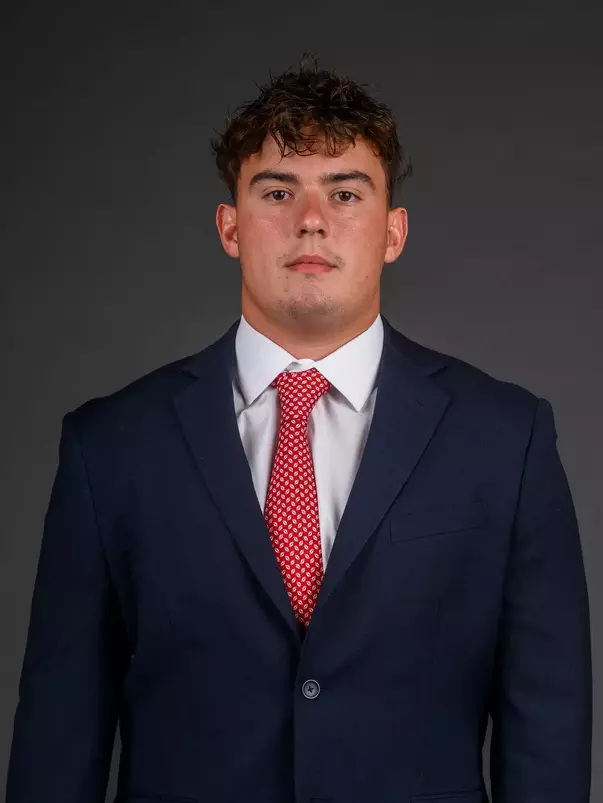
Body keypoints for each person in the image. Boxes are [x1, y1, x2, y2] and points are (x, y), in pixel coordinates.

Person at [6, 54, 592, 803]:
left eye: (345, 192)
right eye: (276, 190)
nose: (310, 218)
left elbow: (545, 730)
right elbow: (59, 732)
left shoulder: (506, 440)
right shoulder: (110, 446)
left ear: (392, 231)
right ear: (229, 226)